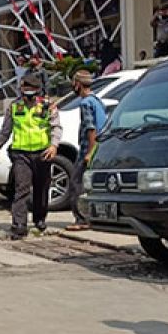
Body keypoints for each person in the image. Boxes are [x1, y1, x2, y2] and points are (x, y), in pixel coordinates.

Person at [0, 72, 62, 239]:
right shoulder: (14, 106)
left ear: (38, 90)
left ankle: (39, 220)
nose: (28, 92)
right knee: (21, 189)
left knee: (41, 188)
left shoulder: (47, 106)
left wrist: (54, 145)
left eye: (31, 89)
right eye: (25, 88)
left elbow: (56, 127)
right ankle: (19, 225)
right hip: (21, 154)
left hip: (43, 153)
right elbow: (5, 131)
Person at [63, 71, 106, 231]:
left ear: (78, 84)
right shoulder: (97, 101)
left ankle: (81, 219)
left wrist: (90, 151)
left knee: (77, 183)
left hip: (88, 150)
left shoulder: (86, 103)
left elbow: (91, 128)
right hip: (100, 148)